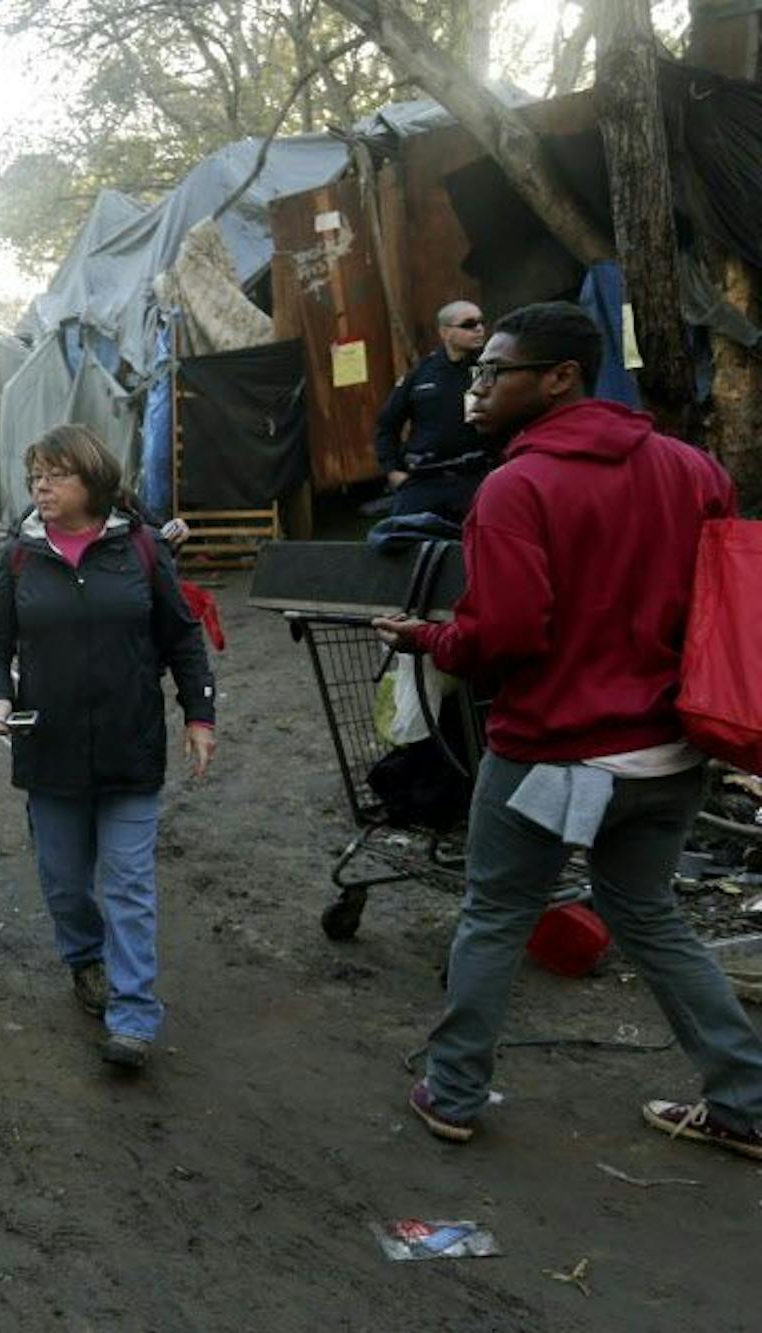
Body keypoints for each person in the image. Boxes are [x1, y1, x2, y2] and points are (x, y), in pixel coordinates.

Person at [371, 301, 762, 1162]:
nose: (476, 387)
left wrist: (429, 637)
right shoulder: (695, 471)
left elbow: (505, 636)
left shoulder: (516, 487)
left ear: (558, 378)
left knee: (496, 913)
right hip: (670, 753)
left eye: (493, 371)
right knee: (649, 914)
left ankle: (456, 1091)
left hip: (553, 755)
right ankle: (746, 1100)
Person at [0, 424, 216, 1071]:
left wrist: (200, 715)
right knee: (63, 881)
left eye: (55, 474)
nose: (40, 487)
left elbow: (182, 636)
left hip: (129, 745)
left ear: (92, 479)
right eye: (34, 477)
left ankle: (133, 1013)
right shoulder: (21, 554)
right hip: (47, 751)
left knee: (129, 883)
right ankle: (85, 959)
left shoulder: (139, 548)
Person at [375, 299, 492, 522]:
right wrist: (394, 472)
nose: (479, 328)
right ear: (445, 332)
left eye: (481, 322)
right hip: (423, 479)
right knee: (395, 542)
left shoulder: (487, 370)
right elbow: (387, 424)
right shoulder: (421, 373)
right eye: (468, 324)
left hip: (474, 478)